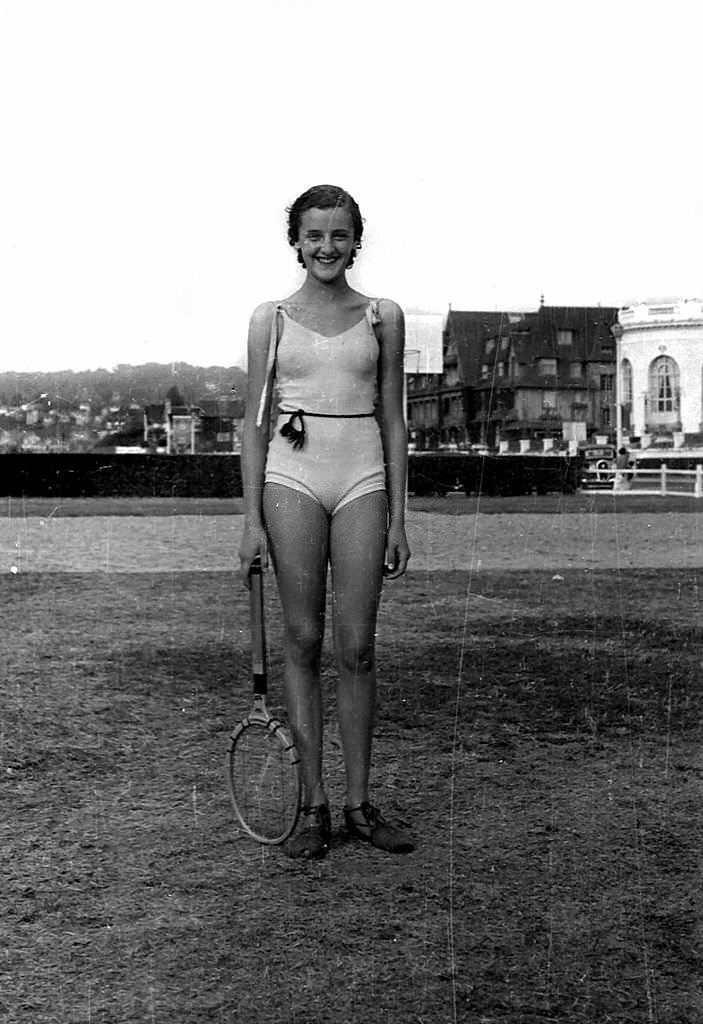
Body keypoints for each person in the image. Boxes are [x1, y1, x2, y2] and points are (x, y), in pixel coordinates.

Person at [238, 185, 413, 859]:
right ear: (296, 240)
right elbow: (253, 427)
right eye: (314, 235)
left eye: (339, 235)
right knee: (303, 638)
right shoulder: (270, 319)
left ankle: (359, 805)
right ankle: (312, 804)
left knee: (358, 647)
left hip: (362, 474)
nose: (326, 248)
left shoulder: (382, 316)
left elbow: (394, 420)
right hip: (291, 477)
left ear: (355, 241)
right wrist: (251, 520)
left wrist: (400, 518)